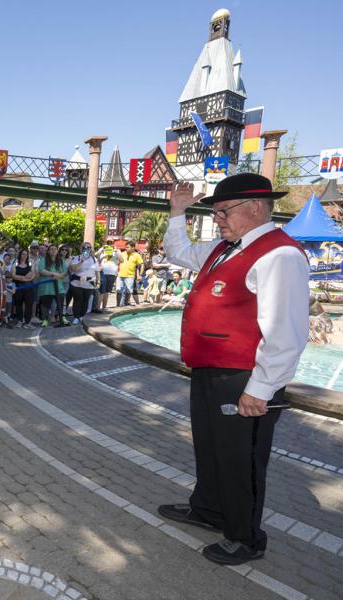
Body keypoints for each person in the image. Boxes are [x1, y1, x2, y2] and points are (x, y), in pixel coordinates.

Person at [157, 174, 309, 566]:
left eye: (224, 211)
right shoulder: (223, 248)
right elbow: (178, 251)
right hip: (210, 368)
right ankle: (209, 508)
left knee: (243, 458)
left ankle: (245, 537)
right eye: (216, 211)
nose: (218, 218)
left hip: (245, 376)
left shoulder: (280, 255)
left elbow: (286, 331)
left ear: (256, 207)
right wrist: (178, 212)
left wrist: (261, 389)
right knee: (211, 447)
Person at [37, 243, 68, 327]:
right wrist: (54, 274)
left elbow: (65, 272)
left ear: (57, 251)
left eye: (55, 249)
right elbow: (41, 270)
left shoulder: (61, 261)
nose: (53, 250)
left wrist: (58, 276)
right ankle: (45, 320)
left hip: (59, 287)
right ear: (48, 251)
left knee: (60, 303)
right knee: (45, 305)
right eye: (51, 249)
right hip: (46, 288)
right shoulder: (43, 260)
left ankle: (62, 318)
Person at [68, 241, 99, 324]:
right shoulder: (77, 258)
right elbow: (74, 269)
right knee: (78, 300)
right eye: (85, 247)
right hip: (77, 282)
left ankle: (81, 316)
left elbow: (97, 271)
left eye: (89, 247)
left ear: (91, 249)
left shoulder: (94, 259)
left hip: (89, 283)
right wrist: (82, 261)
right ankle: (76, 317)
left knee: (86, 300)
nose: (87, 249)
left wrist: (98, 281)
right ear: (81, 249)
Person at [10, 249, 36, 327]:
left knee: (29, 305)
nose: (24, 256)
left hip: (29, 287)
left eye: (26, 254)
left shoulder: (30, 263)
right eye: (23, 254)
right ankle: (20, 320)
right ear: (20, 255)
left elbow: (33, 274)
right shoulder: (16, 263)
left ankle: (28, 322)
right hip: (18, 287)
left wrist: (26, 279)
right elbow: (13, 275)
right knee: (19, 304)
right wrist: (22, 278)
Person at [116, 241, 143, 306]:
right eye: (126, 247)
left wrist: (140, 275)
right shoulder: (122, 253)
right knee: (118, 291)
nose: (126, 248)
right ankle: (118, 305)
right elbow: (118, 262)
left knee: (128, 292)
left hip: (130, 276)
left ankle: (125, 304)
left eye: (128, 247)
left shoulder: (137, 255)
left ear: (133, 247)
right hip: (120, 275)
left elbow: (142, 265)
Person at [98, 243, 121, 311]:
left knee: (106, 292)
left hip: (112, 274)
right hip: (102, 273)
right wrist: (102, 249)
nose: (109, 243)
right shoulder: (102, 249)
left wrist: (116, 250)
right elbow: (96, 256)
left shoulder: (117, 251)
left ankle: (104, 307)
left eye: (111, 242)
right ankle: (97, 308)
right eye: (108, 242)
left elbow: (122, 260)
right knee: (101, 291)